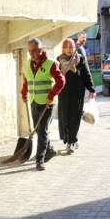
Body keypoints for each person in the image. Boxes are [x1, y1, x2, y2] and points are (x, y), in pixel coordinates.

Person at [21, 38, 65, 171]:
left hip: (47, 103)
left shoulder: (50, 63)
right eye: (29, 51)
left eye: (34, 50)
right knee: (39, 129)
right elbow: (26, 80)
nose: (32, 53)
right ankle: (50, 150)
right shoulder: (28, 64)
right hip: (34, 100)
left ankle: (40, 160)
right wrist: (24, 93)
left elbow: (61, 81)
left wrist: (51, 96)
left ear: (41, 49)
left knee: (43, 130)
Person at [57, 38, 96, 154]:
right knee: (65, 118)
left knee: (75, 118)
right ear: (63, 49)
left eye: (71, 47)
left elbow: (86, 74)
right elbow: (55, 78)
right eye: (66, 47)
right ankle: (68, 139)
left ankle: (72, 141)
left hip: (77, 95)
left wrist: (92, 89)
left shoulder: (80, 60)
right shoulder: (59, 61)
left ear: (75, 48)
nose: (69, 49)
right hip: (63, 94)